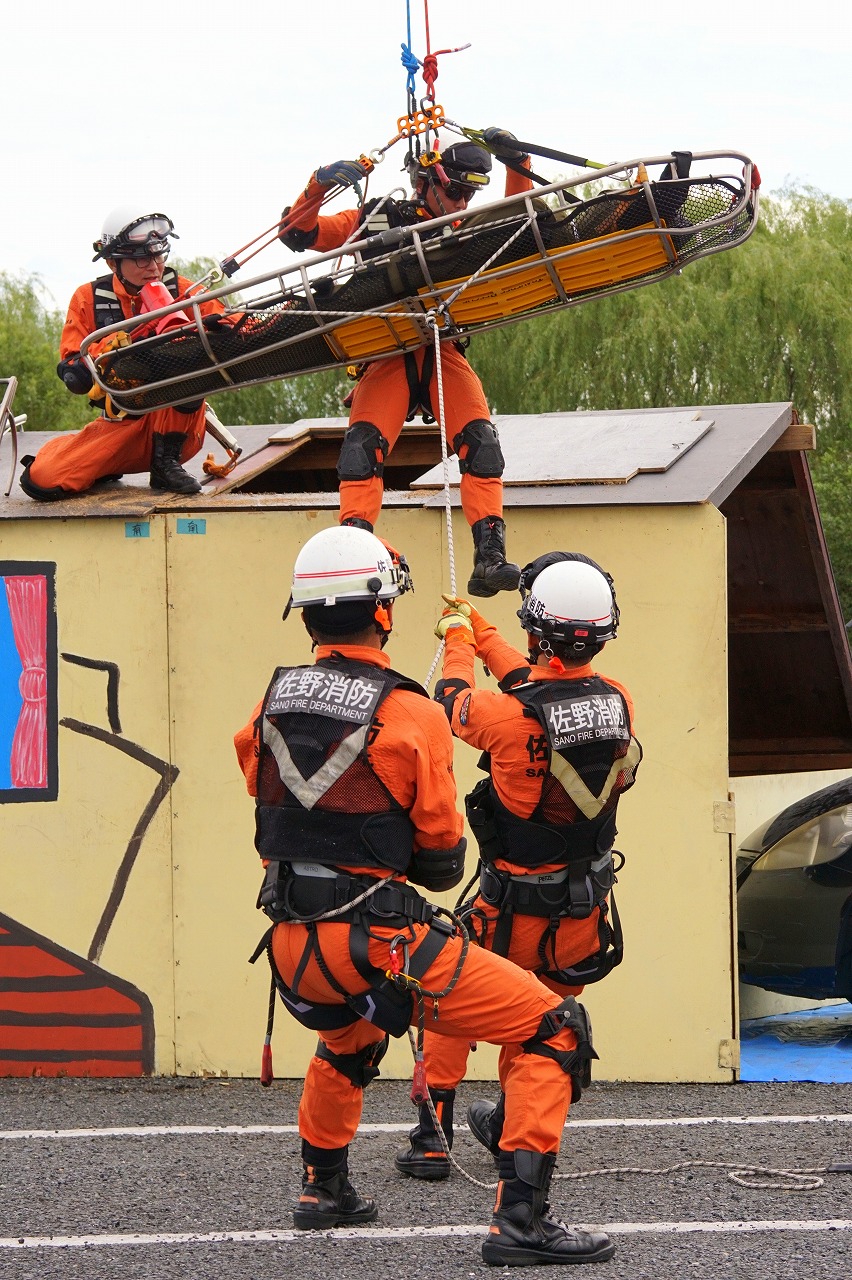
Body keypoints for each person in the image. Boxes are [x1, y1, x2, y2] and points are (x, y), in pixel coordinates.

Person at [234, 525, 616, 1267]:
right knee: (555, 1026)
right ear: (384, 613)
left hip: (290, 943)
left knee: (348, 1039)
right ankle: (522, 1224)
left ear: (306, 614)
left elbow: (265, 789)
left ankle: (324, 1188)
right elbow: (442, 864)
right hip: (380, 943)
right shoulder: (411, 713)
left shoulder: (271, 701)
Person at [395, 552, 642, 1182]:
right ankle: (514, 1129)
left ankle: (433, 1133)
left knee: (453, 998)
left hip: (509, 910)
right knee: (548, 1021)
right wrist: (483, 633)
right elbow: (539, 691)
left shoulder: (502, 719)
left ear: (537, 630)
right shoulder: (618, 701)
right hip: (582, 910)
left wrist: (458, 640)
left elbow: (453, 702)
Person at [278, 133, 532, 599]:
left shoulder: (468, 224)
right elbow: (299, 234)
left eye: (471, 193)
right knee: (360, 453)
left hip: (440, 349)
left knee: (482, 444)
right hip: (387, 350)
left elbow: (519, 218)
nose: (463, 200)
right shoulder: (374, 218)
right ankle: (354, 550)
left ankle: (489, 558)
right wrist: (319, 185)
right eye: (456, 191)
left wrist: (518, 161)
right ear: (426, 181)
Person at [19, 207, 226, 502]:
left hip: (177, 427)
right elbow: (73, 370)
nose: (154, 266)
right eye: (142, 257)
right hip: (123, 422)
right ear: (112, 261)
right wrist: (103, 355)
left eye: (159, 255)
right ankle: (101, 461)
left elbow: (230, 326)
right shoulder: (88, 299)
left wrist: (221, 328)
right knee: (43, 480)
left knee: (187, 356)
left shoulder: (185, 291)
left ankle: (165, 464)